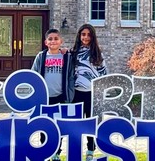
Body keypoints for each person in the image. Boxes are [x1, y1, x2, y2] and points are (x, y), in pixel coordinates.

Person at [71, 23, 107, 153]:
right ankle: (74, 151)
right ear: (79, 36)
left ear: (92, 37)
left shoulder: (97, 54)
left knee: (91, 122)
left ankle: (90, 150)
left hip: (92, 93)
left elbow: (104, 73)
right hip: (76, 94)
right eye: (83, 34)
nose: (85, 37)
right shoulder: (73, 53)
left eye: (88, 35)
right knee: (76, 124)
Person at [31, 28, 76, 106]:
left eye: (56, 39)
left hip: (61, 97)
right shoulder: (41, 56)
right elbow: (33, 75)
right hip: (44, 97)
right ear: (46, 42)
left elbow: (71, 77)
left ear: (61, 41)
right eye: (50, 39)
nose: (53, 41)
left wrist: (70, 95)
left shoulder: (67, 57)